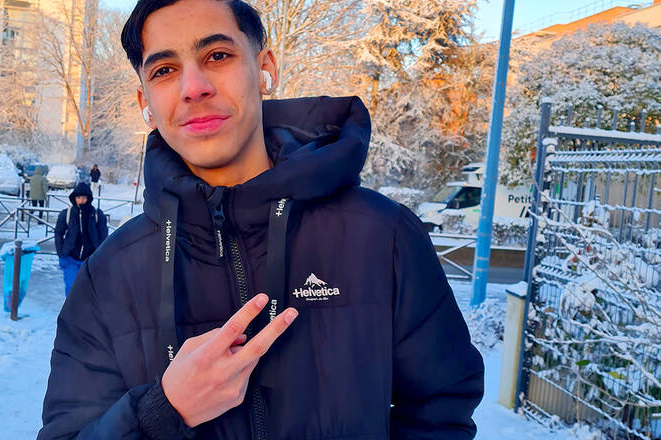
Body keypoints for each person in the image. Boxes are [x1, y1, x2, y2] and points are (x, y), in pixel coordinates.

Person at [39, 0, 484, 438]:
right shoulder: (106, 278)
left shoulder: (382, 236)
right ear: (146, 103)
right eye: (164, 70)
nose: (193, 87)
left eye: (217, 56)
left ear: (264, 68)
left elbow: (440, 412)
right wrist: (163, 413)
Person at [53, 183, 109, 296]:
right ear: (74, 198)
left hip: (90, 260)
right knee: (71, 288)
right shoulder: (67, 213)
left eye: (84, 197)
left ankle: (85, 308)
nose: (81, 200)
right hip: (70, 259)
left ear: (88, 198)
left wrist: (100, 255)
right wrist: (61, 254)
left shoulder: (97, 214)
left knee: (88, 290)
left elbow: (103, 236)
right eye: (78, 197)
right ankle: (71, 308)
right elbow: (58, 233)